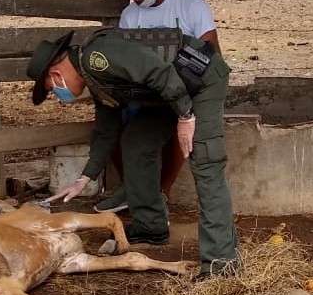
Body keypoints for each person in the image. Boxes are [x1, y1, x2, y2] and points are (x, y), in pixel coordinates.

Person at [26, 30, 238, 278]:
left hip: (200, 80)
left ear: (56, 74)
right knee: (137, 142)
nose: (58, 96)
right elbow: (106, 130)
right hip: (169, 91)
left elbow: (158, 71)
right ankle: (150, 226)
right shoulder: (94, 78)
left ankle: (220, 263)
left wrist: (186, 116)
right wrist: (84, 177)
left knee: (204, 159)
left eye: (52, 89)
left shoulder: (98, 56)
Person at [94, 0, 221, 214]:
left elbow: (211, 54)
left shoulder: (190, 5)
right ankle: (135, 189)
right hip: (145, 94)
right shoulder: (130, 15)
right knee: (114, 123)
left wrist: (179, 91)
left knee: (180, 125)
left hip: (186, 90)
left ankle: (161, 191)